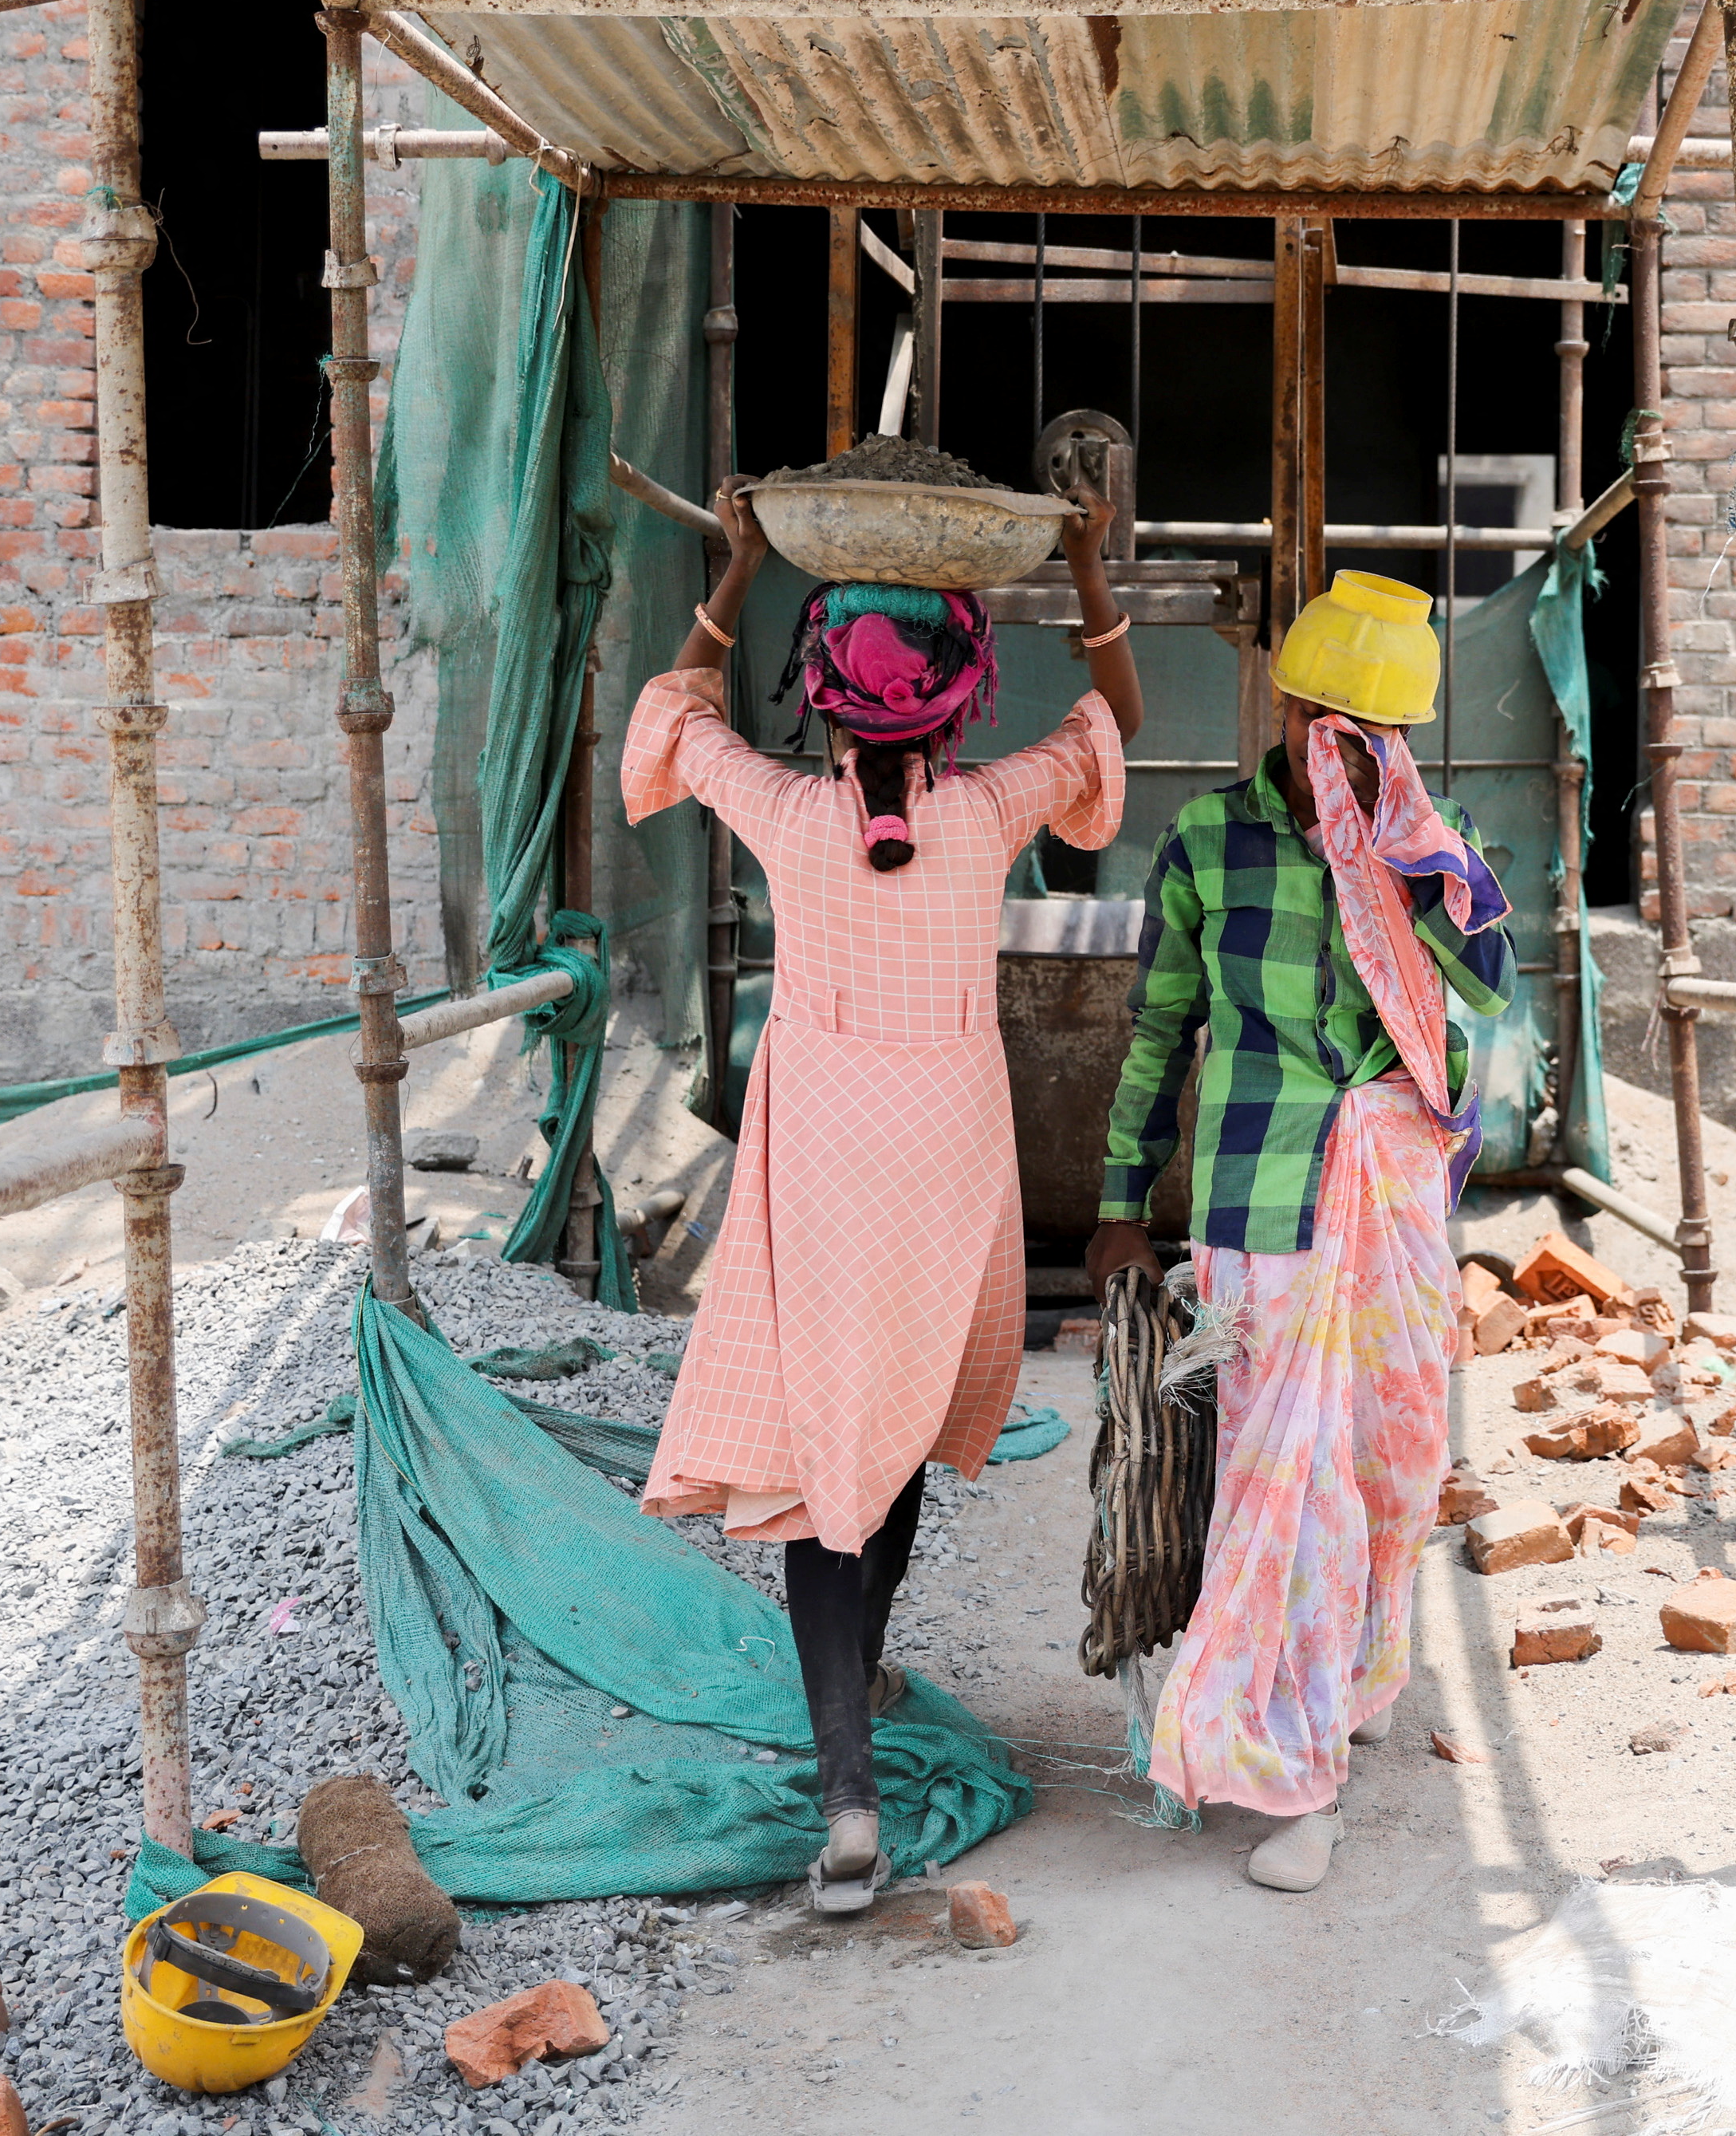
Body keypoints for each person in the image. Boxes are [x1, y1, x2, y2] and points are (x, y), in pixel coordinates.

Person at [623, 475, 1144, 1913]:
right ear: (962, 693)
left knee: (818, 1455)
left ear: (827, 700)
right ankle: (865, 1674)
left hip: (829, 1149)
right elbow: (1118, 729)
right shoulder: (983, 819)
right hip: (947, 1143)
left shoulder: (789, 815)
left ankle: (845, 1785)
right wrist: (1088, 567)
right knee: (895, 1421)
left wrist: (734, 572)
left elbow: (673, 717)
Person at [1086, 570, 1514, 1895]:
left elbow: (1489, 994)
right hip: (1257, 1207)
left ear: (1398, 741)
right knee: (1285, 1482)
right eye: (1317, 718)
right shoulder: (1211, 841)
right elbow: (1159, 1027)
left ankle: (1362, 1660)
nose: (1330, 744)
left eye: (1364, 730)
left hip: (1388, 1201)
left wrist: (1410, 852)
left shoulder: (1431, 851)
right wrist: (1115, 1200)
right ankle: (1297, 1767)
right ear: (1285, 707)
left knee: (1390, 1459)